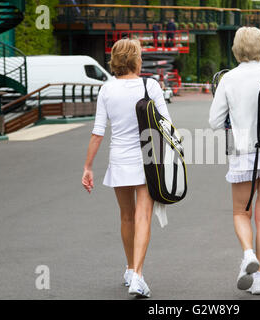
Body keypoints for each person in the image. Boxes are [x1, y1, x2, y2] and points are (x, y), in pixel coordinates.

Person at [81, 38, 171, 298]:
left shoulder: (107, 90)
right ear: (136, 59)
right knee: (143, 216)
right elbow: (166, 125)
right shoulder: (150, 85)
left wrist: (88, 167)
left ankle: (131, 269)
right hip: (147, 158)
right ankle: (139, 277)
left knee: (126, 216)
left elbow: (97, 133)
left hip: (119, 159)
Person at [209, 27, 260, 295]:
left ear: (236, 48)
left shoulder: (228, 79)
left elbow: (215, 121)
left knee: (240, 212)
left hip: (243, 155)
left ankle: (247, 253)